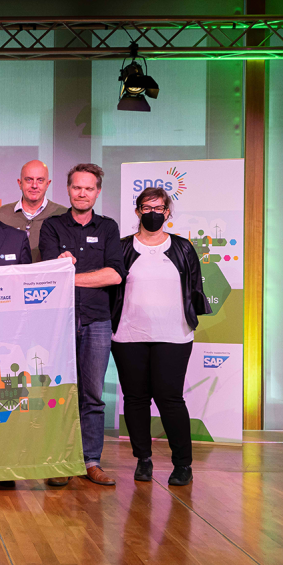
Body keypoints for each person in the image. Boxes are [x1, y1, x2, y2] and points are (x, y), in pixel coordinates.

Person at [111, 187, 210, 487]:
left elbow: (194, 288)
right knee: (136, 399)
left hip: (174, 335)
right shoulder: (122, 247)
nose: (153, 213)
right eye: (147, 207)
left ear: (168, 212)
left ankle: (183, 465)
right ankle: (143, 459)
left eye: (159, 208)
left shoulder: (182, 247)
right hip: (128, 335)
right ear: (138, 211)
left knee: (170, 398)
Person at [40, 163, 125, 487]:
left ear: (97, 192)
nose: (82, 193)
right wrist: (77, 275)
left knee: (92, 395)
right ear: (68, 189)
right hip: (59, 322)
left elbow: (115, 274)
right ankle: (60, 459)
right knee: (59, 393)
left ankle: (91, 461)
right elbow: (49, 272)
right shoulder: (52, 227)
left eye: (89, 188)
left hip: (97, 322)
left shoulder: (108, 227)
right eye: (77, 187)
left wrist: (71, 277)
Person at [0, 160, 67, 262]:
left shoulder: (63, 215)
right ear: (20, 183)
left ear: (48, 184)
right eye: (29, 180)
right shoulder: (1, 215)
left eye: (40, 180)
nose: (34, 185)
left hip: (48, 277)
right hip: (11, 277)